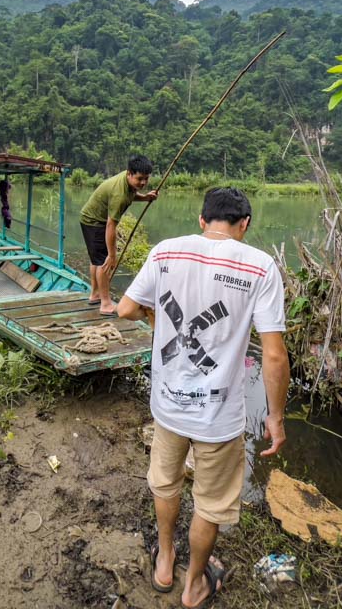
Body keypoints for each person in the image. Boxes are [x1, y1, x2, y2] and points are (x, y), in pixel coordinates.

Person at [117, 187, 290, 609]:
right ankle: (193, 585)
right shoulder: (261, 266)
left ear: (201, 219)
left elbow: (124, 308)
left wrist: (156, 317)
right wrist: (275, 417)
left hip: (168, 406)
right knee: (210, 505)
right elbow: (273, 353)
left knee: (165, 481)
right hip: (219, 418)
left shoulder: (165, 252)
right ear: (244, 224)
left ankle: (164, 561)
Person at [79, 154, 158, 316]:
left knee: (96, 260)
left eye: (146, 179)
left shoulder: (127, 183)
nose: (143, 183)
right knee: (104, 262)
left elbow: (131, 194)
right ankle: (106, 304)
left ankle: (95, 295)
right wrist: (112, 254)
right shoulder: (119, 194)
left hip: (89, 219)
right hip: (95, 222)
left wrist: (145, 198)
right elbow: (110, 225)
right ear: (129, 173)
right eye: (140, 179)